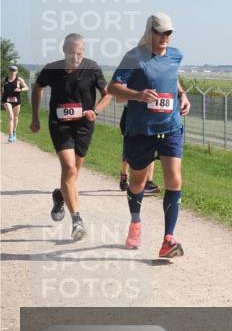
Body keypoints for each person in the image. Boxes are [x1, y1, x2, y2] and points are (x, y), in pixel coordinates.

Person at [108, 13, 191, 258]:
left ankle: (169, 239)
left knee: (174, 179)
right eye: (160, 32)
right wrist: (138, 95)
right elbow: (112, 87)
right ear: (150, 32)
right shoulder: (134, 57)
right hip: (141, 129)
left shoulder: (176, 55)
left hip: (170, 126)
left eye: (168, 33)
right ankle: (135, 222)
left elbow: (172, 78)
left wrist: (183, 95)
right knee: (137, 183)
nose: (164, 37)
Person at [29, 34, 112, 241]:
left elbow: (108, 94)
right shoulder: (52, 69)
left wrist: (96, 111)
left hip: (84, 125)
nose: (75, 57)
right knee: (69, 169)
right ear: (63, 51)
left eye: (79, 53)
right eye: (71, 53)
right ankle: (77, 220)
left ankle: (60, 196)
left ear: (84, 52)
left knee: (73, 175)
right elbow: (37, 87)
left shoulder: (92, 68)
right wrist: (35, 117)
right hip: (60, 125)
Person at [118, 103, 159, 194]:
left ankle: (149, 182)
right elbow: (121, 98)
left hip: (150, 114)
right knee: (129, 149)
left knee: (151, 147)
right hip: (130, 114)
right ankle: (124, 174)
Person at [4, 65, 28, 142]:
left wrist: (20, 89)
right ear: (8, 71)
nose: (12, 72)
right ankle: (10, 135)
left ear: (16, 72)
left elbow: (26, 87)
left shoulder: (19, 79)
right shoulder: (4, 79)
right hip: (6, 101)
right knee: (11, 117)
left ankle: (14, 132)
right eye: (11, 70)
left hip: (16, 101)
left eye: (14, 70)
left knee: (16, 117)